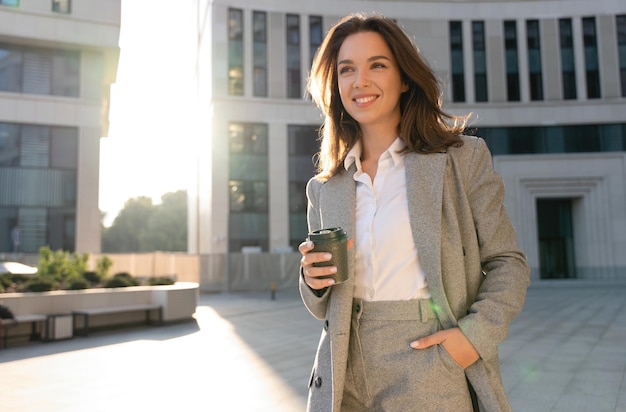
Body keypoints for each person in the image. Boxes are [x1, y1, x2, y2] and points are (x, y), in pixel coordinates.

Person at [298, 13, 530, 412]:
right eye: (346, 70)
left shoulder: (462, 160)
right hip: (343, 367)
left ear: (404, 78)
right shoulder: (326, 186)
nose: (360, 81)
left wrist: (470, 338)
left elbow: (508, 263)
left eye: (377, 65)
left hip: (428, 360)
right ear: (335, 86)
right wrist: (311, 280)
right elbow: (323, 303)